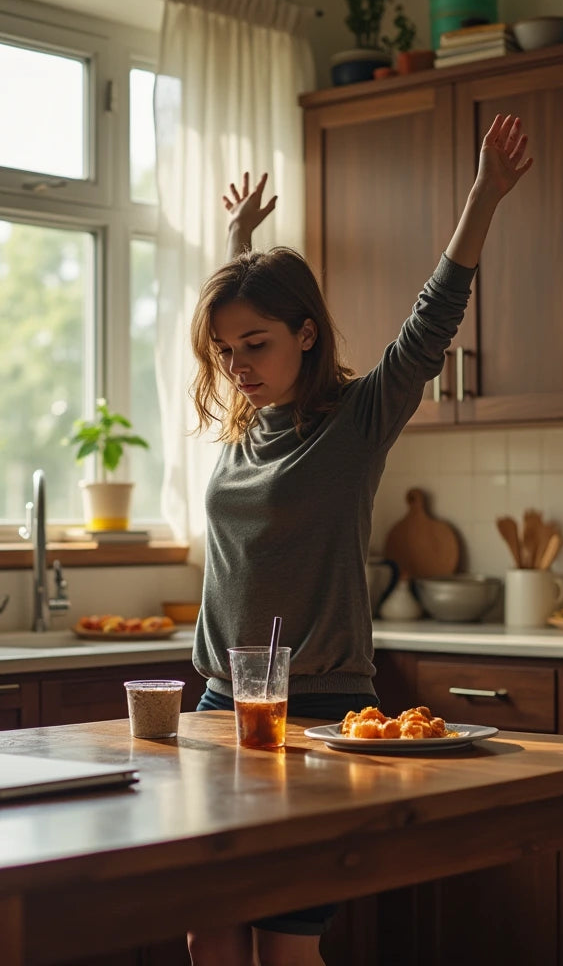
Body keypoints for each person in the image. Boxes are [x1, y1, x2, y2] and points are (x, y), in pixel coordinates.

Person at [185, 114, 533, 966]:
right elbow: (246, 318)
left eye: (256, 344)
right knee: (210, 934)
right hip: (219, 708)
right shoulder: (241, 428)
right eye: (226, 350)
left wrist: (484, 196)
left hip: (320, 710)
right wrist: (240, 241)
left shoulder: (357, 420)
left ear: (308, 334)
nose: (238, 364)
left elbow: (431, 320)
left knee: (285, 943)